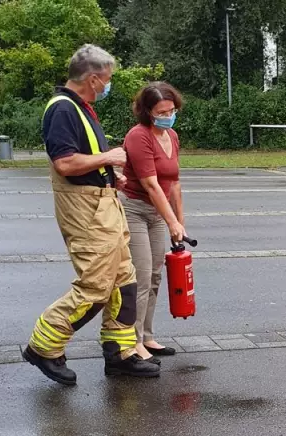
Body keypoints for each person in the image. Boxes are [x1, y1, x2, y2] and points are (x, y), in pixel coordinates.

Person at [22, 44, 160, 385]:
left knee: (124, 280)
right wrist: (109, 158)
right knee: (96, 286)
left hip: (103, 203)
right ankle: (44, 345)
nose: (108, 86)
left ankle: (121, 353)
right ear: (94, 78)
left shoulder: (80, 108)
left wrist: (111, 176)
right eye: (108, 80)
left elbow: (83, 162)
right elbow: (65, 163)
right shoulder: (63, 109)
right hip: (85, 211)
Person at [120, 82, 185, 363]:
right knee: (141, 277)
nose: (168, 115)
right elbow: (150, 184)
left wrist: (179, 223)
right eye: (162, 111)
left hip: (159, 214)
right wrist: (171, 221)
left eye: (171, 110)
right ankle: (132, 343)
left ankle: (147, 335)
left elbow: (174, 183)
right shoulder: (138, 136)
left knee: (156, 276)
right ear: (147, 111)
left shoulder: (172, 135)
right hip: (134, 209)